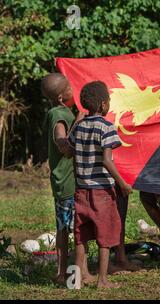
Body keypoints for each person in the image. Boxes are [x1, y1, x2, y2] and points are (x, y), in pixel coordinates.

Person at [68, 81, 132, 288]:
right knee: (105, 235)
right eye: (110, 101)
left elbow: (69, 151)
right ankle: (102, 280)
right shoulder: (106, 127)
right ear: (104, 104)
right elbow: (107, 159)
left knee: (81, 235)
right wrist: (122, 183)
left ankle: (74, 280)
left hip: (81, 189)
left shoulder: (79, 127)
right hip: (102, 191)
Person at [42, 73, 83, 285]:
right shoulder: (58, 114)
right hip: (68, 183)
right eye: (69, 87)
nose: (73, 90)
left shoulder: (60, 111)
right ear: (60, 97)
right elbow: (64, 146)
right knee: (73, 230)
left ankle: (61, 273)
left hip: (62, 182)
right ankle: (74, 276)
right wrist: (78, 122)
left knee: (63, 228)